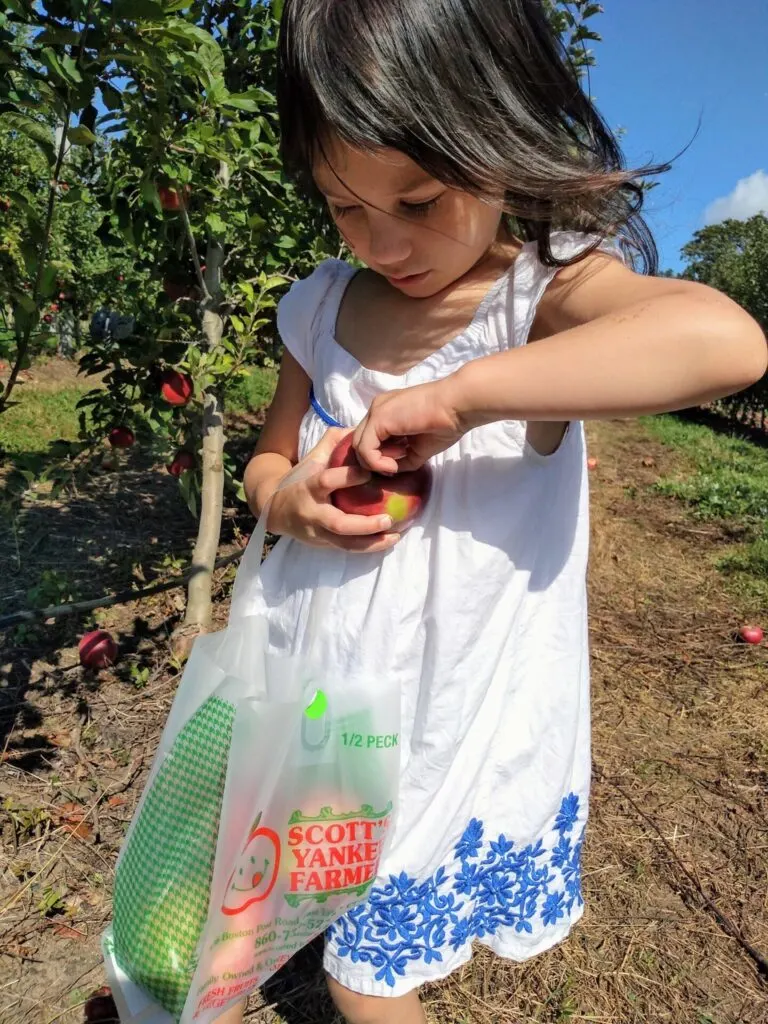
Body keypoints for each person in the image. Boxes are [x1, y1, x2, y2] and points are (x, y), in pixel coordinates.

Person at [233, 2, 767, 1022]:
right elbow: (267, 459)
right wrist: (288, 501)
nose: (384, 240)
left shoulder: (541, 297)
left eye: (421, 198)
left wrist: (466, 393)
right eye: (346, 207)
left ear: (497, 137)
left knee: (362, 972)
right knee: (324, 902)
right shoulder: (320, 307)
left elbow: (726, 341)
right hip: (320, 695)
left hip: (451, 715)